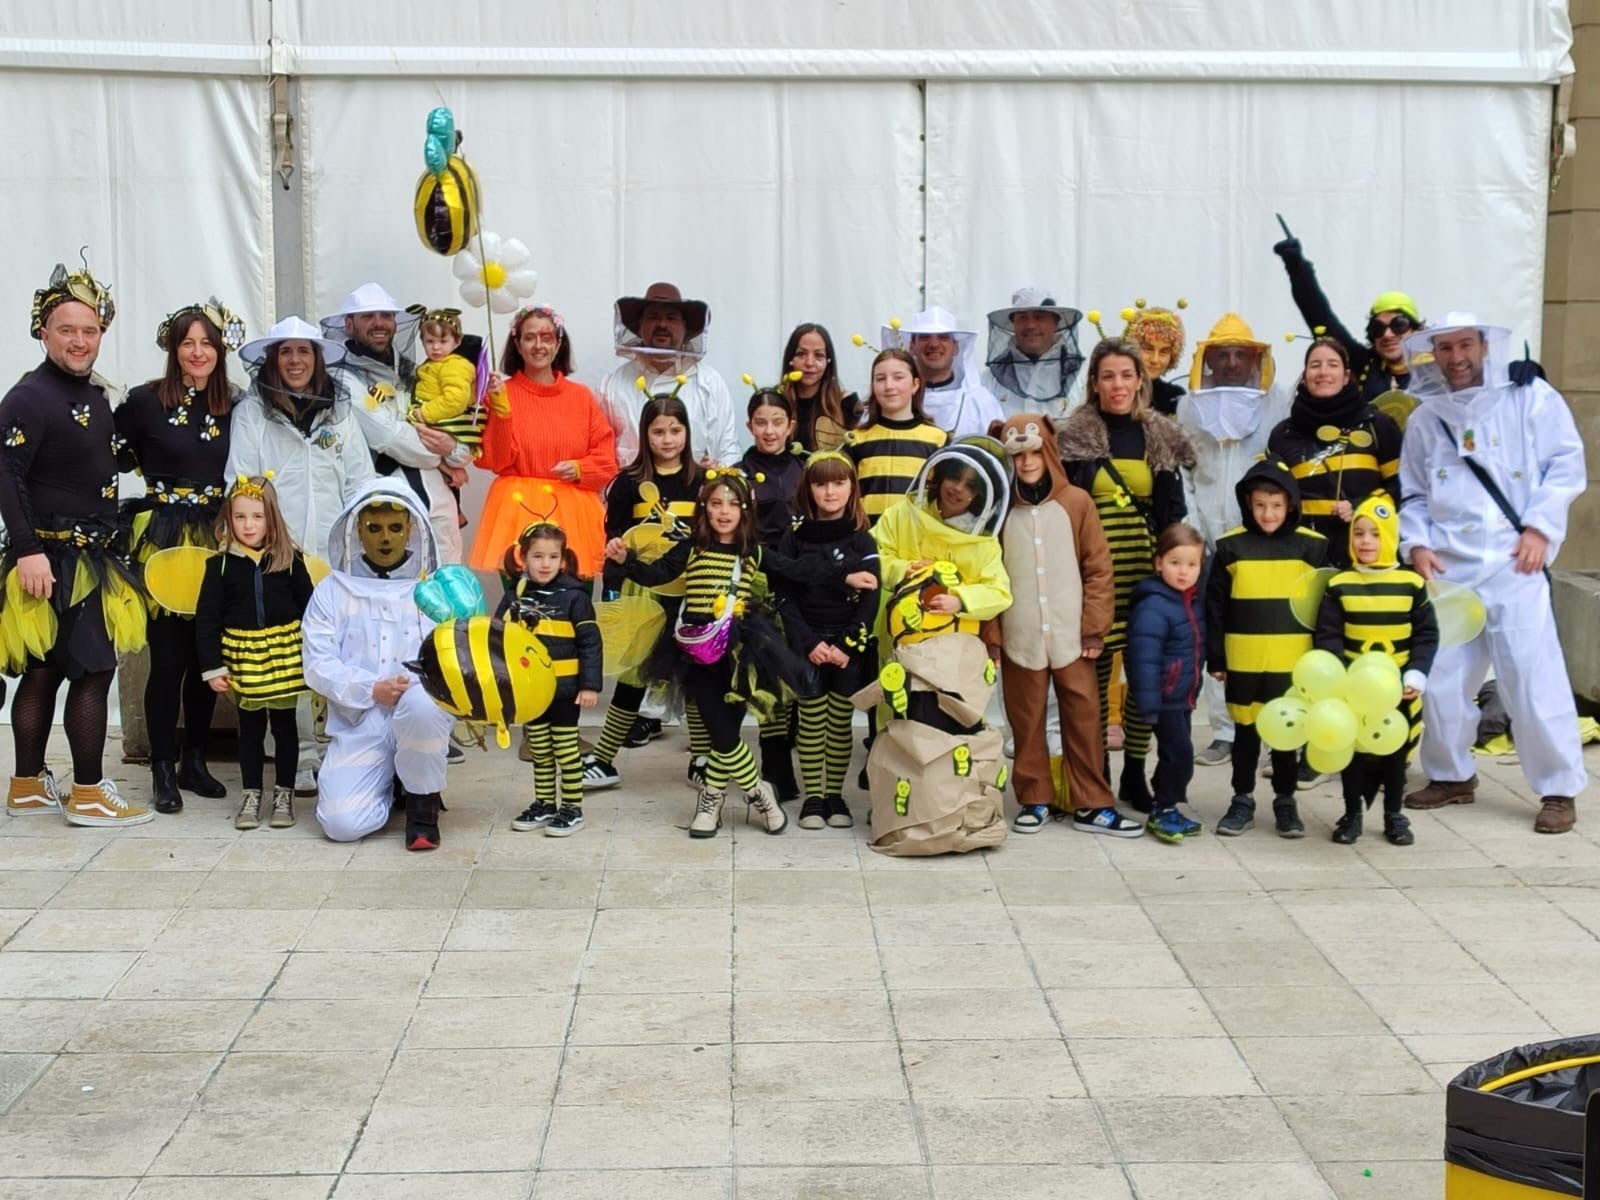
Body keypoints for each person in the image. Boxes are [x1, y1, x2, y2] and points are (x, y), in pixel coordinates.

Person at [1398, 313, 1587, 833]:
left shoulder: (1531, 399)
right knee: (1439, 679)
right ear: (1432, 354)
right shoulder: (1424, 419)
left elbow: (1566, 466)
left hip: (1514, 563)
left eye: (1465, 344)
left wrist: (1540, 530)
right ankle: (1451, 774)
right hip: (1449, 569)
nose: (1455, 357)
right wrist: (1415, 545)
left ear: (1484, 346)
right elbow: (1413, 493)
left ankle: (1558, 788)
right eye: (1445, 347)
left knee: (1530, 677)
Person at [0, 258, 151, 826]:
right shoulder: (30, 397)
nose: (79, 340)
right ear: (43, 332)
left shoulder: (92, 393)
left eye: (89, 331)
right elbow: (5, 473)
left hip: (87, 554)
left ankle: (27, 785)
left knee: (44, 673)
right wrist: (26, 551)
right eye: (67, 330)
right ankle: (87, 793)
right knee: (91, 671)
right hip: (53, 559)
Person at [604, 469, 811, 838]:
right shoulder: (692, 547)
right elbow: (655, 574)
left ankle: (711, 800)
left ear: (745, 511)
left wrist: (846, 573)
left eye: (733, 504)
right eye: (716, 503)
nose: (724, 511)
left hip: (742, 650)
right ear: (704, 508)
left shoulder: (753, 551)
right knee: (719, 726)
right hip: (696, 647)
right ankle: (759, 792)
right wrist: (624, 561)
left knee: (724, 732)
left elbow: (797, 571)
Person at [228, 315, 375, 799]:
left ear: (317, 359)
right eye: (286, 352)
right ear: (272, 359)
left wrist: (360, 545)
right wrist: (260, 542)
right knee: (290, 655)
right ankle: (303, 756)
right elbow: (242, 480)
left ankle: (344, 746)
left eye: (304, 352)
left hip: (335, 558)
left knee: (338, 650)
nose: (295, 361)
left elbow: (359, 480)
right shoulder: (253, 413)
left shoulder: (340, 411)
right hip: (278, 557)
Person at [117, 298, 245, 813]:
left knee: (204, 657)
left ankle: (195, 759)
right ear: (173, 348)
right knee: (167, 659)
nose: (197, 352)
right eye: (187, 343)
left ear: (219, 349)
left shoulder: (235, 403)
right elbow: (105, 459)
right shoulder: (144, 402)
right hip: (165, 539)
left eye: (206, 343)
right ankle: (163, 768)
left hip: (216, 539)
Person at [1058, 338, 1196, 813]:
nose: (1117, 385)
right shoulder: (1073, 437)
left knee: (1144, 681)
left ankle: (1135, 769)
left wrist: (1178, 572)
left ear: (1141, 380)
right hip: (1091, 580)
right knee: (1092, 685)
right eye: (1108, 376)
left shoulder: (1159, 435)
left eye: (1126, 375)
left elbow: (1171, 513)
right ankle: (1097, 774)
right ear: (1094, 383)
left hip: (1145, 580)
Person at [984, 414, 1138, 837]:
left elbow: (1098, 569)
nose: (1028, 462)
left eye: (1035, 452)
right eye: (1017, 455)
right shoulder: (1000, 511)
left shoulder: (1077, 503)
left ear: (1049, 450)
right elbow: (988, 574)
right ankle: (1034, 798)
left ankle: (1091, 802)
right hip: (1021, 636)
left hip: (1072, 636)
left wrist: (1094, 628)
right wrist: (992, 637)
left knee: (1085, 717)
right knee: (1026, 718)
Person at [301, 480, 454, 850]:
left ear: (412, 530)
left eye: (395, 528)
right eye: (374, 528)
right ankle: (394, 780)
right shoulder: (331, 591)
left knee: (423, 705)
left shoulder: (432, 589)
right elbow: (317, 662)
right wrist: (370, 688)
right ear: (357, 531)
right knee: (341, 824)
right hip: (360, 719)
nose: (385, 538)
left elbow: (451, 656)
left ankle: (422, 809)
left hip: (417, 707)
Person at [1176, 313, 1289, 767]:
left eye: (1241, 354)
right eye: (1222, 354)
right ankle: (1225, 731)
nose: (1231, 362)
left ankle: (1276, 730)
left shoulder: (1275, 402)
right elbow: (1183, 469)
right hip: (1207, 539)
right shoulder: (1189, 406)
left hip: (1260, 537)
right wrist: (1192, 530)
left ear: (1256, 359)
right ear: (1208, 359)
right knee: (1217, 634)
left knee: (1269, 634)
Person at [581, 395, 704, 790]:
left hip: (693, 594)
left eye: (675, 430)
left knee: (696, 676)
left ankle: (701, 759)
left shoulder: (703, 482)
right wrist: (616, 560)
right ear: (644, 434)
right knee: (634, 675)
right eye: (658, 431)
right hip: (644, 593)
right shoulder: (628, 484)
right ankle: (604, 760)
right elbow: (614, 537)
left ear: (686, 432)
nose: (667, 439)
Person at [1206, 460, 1328, 838]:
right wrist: (1217, 657)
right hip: (1244, 660)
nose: (1268, 513)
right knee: (1245, 733)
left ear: (1290, 504)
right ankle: (1241, 799)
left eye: (1276, 505)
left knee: (1286, 736)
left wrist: (1323, 660)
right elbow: (1214, 607)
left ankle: (1285, 801)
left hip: (1293, 663)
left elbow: (1325, 609)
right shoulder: (1230, 547)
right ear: (1247, 502)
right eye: (1260, 505)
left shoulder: (1313, 547)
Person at [194, 474, 315, 832]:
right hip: (244, 658)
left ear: (272, 518)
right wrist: (212, 666)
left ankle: (284, 792)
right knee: (249, 729)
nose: (248, 525)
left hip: (284, 656)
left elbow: (311, 610)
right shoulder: (220, 566)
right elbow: (206, 620)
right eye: (240, 517)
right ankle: (251, 793)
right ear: (229, 519)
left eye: (257, 517)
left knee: (285, 727)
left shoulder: (290, 561)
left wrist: (319, 655)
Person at [1314, 495, 1437, 846]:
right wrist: (1336, 675)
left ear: (1391, 537)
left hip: (1398, 687)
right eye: (1359, 533)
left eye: (1375, 534)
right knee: (1353, 753)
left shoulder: (1412, 584)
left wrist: (1415, 673)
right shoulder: (1339, 585)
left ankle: (1393, 814)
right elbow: (1329, 635)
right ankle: (1352, 812)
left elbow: (1427, 634)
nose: (1366, 542)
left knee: (1394, 754)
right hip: (1353, 688)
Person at [322, 282, 472, 564]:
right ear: (349, 324)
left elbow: (456, 424)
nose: (379, 323)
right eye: (368, 316)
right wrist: (445, 456)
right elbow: (390, 438)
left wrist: (456, 450)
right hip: (383, 504)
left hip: (438, 498)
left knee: (448, 586)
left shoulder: (412, 370)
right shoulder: (341, 377)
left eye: (386, 315)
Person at [469, 303, 617, 579]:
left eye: (546, 337)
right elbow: (495, 460)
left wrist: (580, 469)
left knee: (572, 602)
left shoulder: (581, 397)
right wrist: (501, 409)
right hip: (516, 510)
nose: (538, 345)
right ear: (517, 343)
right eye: (529, 337)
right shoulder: (502, 393)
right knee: (521, 607)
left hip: (574, 514)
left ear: (559, 343)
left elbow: (607, 459)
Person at [774, 451, 880, 829]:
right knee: (811, 721)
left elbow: (871, 598)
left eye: (838, 482)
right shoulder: (795, 537)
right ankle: (813, 798)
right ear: (808, 489)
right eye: (821, 483)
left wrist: (846, 645)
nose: (830, 491)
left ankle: (835, 796)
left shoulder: (862, 538)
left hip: (847, 650)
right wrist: (808, 643)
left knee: (839, 723)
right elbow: (784, 594)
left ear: (852, 487)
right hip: (808, 646)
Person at [1267, 336, 1402, 569]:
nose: (1323, 372)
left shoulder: (1377, 424)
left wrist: (1361, 505)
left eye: (1333, 364)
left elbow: (1401, 487)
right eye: (1315, 365)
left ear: (1346, 376)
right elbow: (1273, 496)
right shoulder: (1282, 434)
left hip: (1367, 558)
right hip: (1305, 559)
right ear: (1305, 375)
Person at [503, 521, 602, 838]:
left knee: (566, 749)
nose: (545, 564)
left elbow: (590, 642)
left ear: (563, 559)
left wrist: (589, 685)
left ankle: (572, 808)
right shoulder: (513, 597)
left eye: (552, 556)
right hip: (532, 692)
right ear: (524, 558)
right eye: (537, 556)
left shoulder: (575, 597)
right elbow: (499, 642)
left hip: (565, 691)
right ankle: (544, 803)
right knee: (540, 749)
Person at [740, 383, 809, 801]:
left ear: (791, 425)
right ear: (750, 425)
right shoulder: (737, 472)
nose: (769, 431)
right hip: (760, 584)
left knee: (802, 674)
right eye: (761, 422)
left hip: (803, 582)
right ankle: (776, 768)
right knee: (771, 678)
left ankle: (807, 759)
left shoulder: (807, 468)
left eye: (777, 422)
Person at [598, 282, 741, 467]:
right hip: (632, 493)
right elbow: (601, 453)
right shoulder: (614, 383)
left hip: (694, 492)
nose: (662, 324)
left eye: (671, 318)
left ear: (685, 327)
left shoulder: (709, 382)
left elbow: (728, 449)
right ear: (640, 325)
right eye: (653, 317)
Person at [1127, 524, 1207, 843]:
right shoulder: (1153, 604)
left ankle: (1167, 804)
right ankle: (1163, 809)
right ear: (1158, 562)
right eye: (1175, 563)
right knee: (1180, 755)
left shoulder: (1191, 601)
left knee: (1176, 754)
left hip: (1183, 695)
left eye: (1192, 564)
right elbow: (1143, 657)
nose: (1184, 571)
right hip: (1164, 697)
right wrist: (1148, 704)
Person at [1272, 233, 1421, 400]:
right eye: (1377, 328)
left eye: (1398, 325)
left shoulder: (1437, 370)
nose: (1387, 334)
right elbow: (1319, 316)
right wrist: (1297, 267)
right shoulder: (1364, 364)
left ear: (1417, 330)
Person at [846, 348, 948, 525]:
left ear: (915, 384)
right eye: (880, 379)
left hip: (917, 541)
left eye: (898, 377)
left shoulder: (938, 440)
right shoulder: (856, 439)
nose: (889, 386)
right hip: (868, 541)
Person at [883, 306, 1003, 439]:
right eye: (924, 337)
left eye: (943, 337)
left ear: (956, 347)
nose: (934, 344)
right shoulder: (892, 399)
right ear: (911, 346)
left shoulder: (981, 403)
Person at [981, 287, 1086, 419]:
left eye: (1039, 317)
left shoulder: (1082, 376)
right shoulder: (989, 379)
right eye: (1022, 317)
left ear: (1055, 323)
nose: (1030, 325)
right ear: (1014, 324)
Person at [781, 324, 860, 451]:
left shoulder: (847, 404)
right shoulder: (777, 400)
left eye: (818, 355)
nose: (809, 363)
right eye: (801, 354)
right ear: (791, 359)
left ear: (828, 361)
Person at [1123, 303, 1188, 417]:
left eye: (1164, 352)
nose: (1154, 359)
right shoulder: (1118, 390)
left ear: (1173, 356)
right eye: (1147, 349)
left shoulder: (1175, 396)